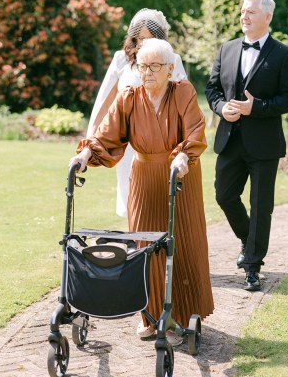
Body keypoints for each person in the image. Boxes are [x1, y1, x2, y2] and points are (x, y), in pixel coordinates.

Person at [70, 38, 214, 343]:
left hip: (179, 175)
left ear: (170, 69)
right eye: (142, 65)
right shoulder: (129, 98)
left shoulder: (183, 92)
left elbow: (195, 130)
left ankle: (182, 314)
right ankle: (149, 316)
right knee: (145, 247)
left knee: (182, 243)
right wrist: (84, 155)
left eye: (154, 66)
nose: (146, 72)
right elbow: (106, 136)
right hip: (144, 177)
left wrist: (184, 155)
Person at [205, 0, 288, 291]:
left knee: (261, 206)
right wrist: (223, 109)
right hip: (230, 140)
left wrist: (255, 107)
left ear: (267, 17)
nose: (244, 17)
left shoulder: (284, 54)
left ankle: (252, 266)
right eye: (242, 12)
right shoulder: (227, 48)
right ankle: (249, 241)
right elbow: (212, 89)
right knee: (224, 195)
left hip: (264, 144)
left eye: (251, 13)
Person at [87, 8, 187, 217]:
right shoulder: (121, 59)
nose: (144, 43)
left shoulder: (173, 60)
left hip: (162, 137)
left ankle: (159, 234)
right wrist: (91, 139)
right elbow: (105, 99)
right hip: (128, 134)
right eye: (140, 38)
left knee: (159, 189)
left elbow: (183, 100)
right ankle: (134, 232)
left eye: (149, 38)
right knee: (128, 183)